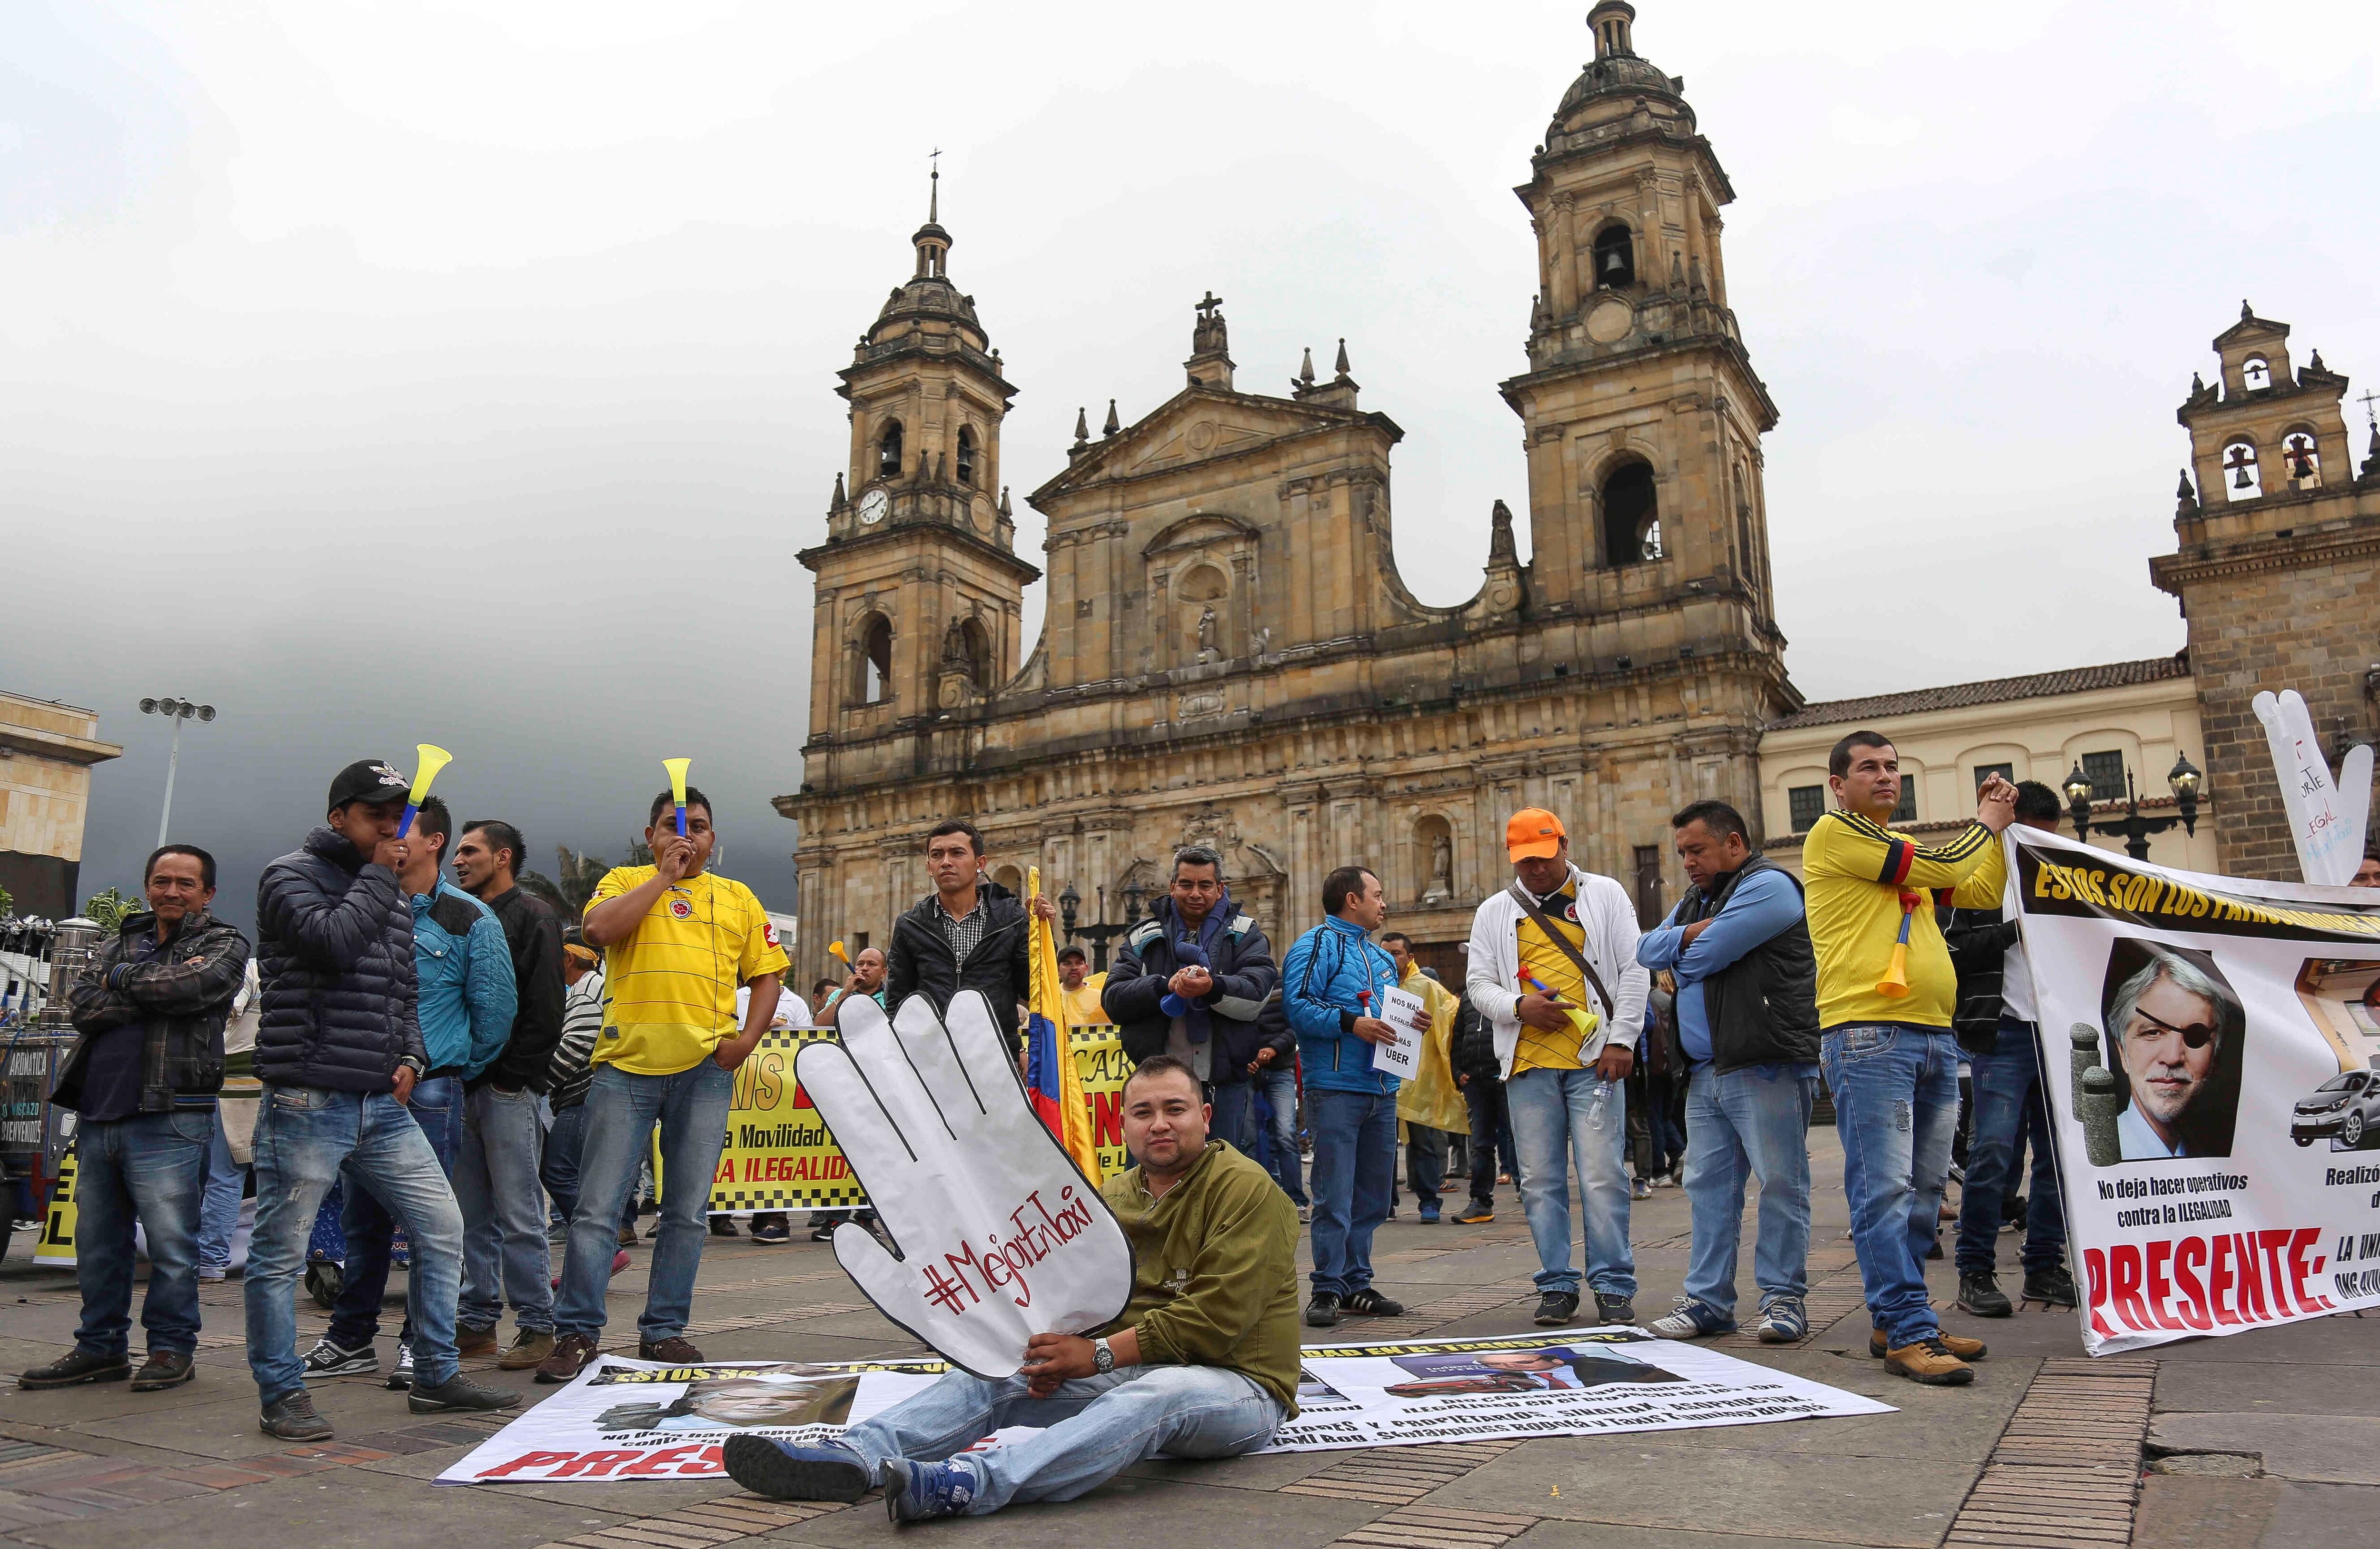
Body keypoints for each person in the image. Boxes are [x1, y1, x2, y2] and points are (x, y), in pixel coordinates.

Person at [719, 1055, 1298, 1523]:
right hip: (1131, 1364)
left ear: (1205, 1114)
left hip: (1237, 1386)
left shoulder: (1247, 1190)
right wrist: (1043, 1349)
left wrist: (1094, 1355)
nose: (1160, 1124)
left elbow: (1214, 1322)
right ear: (1122, 1126)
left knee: (1160, 1393)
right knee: (999, 1373)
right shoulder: (1113, 1194)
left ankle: (970, 1485)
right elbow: (1079, 1296)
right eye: (1142, 1112)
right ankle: (855, 1455)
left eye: (1175, 1109)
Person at [245, 760, 518, 1440]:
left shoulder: (393, 895)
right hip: (308, 1097)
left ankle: (434, 1371)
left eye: (401, 819)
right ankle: (282, 1390)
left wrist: (411, 1053)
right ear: (340, 817)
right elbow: (334, 944)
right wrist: (379, 873)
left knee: (442, 1225)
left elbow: (404, 991)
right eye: (378, 818)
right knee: (281, 1251)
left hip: (380, 1102)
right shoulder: (290, 875)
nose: (393, 832)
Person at [539, 783, 790, 1381]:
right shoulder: (625, 883)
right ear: (650, 836)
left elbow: (768, 976)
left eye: (698, 828)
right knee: (598, 1209)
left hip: (704, 1072)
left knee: (685, 1211)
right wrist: (662, 879)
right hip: (625, 1069)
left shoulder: (738, 898)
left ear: (712, 839)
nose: (686, 837)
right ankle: (576, 1332)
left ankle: (664, 1332)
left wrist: (746, 1041)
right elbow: (597, 932)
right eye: (672, 828)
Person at [1804, 731, 2015, 1387]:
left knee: (1924, 1191)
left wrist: (2005, 837)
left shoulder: (1906, 852)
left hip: (1930, 1032)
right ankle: (1910, 1330)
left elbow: (1977, 887)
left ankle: (1899, 1315)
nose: (1886, 776)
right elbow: (1956, 866)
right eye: (1869, 767)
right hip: (1869, 1034)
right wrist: (1984, 822)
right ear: (1837, 783)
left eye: (1893, 766)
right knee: (1884, 1189)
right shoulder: (1835, 833)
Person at [22, 845, 250, 1395]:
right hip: (99, 1111)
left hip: (171, 1113)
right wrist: (148, 984)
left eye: (186, 884)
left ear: (208, 893)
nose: (172, 892)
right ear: (148, 884)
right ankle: (100, 1348)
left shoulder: (224, 943)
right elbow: (82, 1004)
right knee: (99, 1244)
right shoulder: (118, 940)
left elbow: (196, 988)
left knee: (173, 1246)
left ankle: (172, 1349)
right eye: (162, 880)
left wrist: (122, 981)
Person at [310, 796, 516, 1391]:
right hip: (359, 1090)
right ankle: (350, 1338)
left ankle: (418, 1345)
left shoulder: (470, 919)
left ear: (434, 842)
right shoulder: (361, 902)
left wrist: (443, 1071)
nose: (388, 839)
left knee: (429, 1225)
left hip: (428, 1095)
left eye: (402, 830)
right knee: (361, 1224)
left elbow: (495, 1014)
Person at [1635, 800, 1820, 1344]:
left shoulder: (1769, 887)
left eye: (1696, 850)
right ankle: (1707, 1302)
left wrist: (1684, 946)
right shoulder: (1699, 899)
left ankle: (1783, 1300)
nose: (1686, 862)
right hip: (1706, 1070)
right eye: (1681, 853)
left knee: (1781, 1184)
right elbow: (1646, 949)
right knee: (1708, 1188)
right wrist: (1690, 937)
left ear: (1733, 844)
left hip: (1765, 1062)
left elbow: (1697, 961)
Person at [1463, 809, 1647, 1328]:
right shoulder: (1494, 912)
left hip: (1594, 1062)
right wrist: (1519, 1008)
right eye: (1524, 863)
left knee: (1601, 1175)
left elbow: (1634, 970)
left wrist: (1621, 1040)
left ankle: (1612, 1283)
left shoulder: (1605, 895)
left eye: (1543, 860)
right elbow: (1478, 986)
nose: (1535, 871)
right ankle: (1555, 1284)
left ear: (1564, 845)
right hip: (1527, 1065)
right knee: (1538, 1180)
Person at [1940, 781, 2076, 1317]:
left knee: (2057, 1158)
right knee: (1992, 1153)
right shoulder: (1975, 878)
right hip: (2002, 1032)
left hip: (2058, 1032)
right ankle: (1974, 1269)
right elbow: (1949, 949)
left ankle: (2043, 1264)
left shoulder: (2069, 880)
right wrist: (2014, 931)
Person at [449, 818, 565, 1369]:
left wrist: (511, 1078)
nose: (456, 860)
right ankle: (476, 1323)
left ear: (502, 858)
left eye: (469, 851)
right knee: (471, 1216)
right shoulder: (461, 914)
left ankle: (538, 1327)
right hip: (462, 1086)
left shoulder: (534, 915)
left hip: (507, 1091)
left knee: (520, 1215)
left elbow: (546, 1008)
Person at [1280, 865, 1406, 1327]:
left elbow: (1387, 1014)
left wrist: (1410, 1023)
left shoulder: (1382, 959)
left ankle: (1356, 1282)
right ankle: (1327, 1287)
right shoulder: (1315, 945)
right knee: (1334, 1194)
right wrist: (1351, 1023)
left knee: (1373, 1195)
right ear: (1352, 900)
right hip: (1335, 1088)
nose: (1383, 903)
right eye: (1376, 895)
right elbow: (1296, 1006)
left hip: (1381, 1089)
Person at [1103, 846, 1279, 1154]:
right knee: (1154, 1170)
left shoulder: (1245, 933)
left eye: (1205, 884)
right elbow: (1114, 998)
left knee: (1222, 1175)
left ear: (1220, 888)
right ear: (1172, 887)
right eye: (1186, 884)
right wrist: (1162, 986)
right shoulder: (1143, 936)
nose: (1195, 893)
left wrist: (1212, 987)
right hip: (1157, 1083)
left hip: (1223, 1083)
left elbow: (1258, 992)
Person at [883, 820, 1052, 1036]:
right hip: (931, 1056)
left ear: (979, 863)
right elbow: (898, 1001)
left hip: (996, 1051)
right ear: (929, 867)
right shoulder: (911, 925)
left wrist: (1043, 936)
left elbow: (1034, 989)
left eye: (957, 853)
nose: (946, 862)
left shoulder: (1012, 920)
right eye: (937, 855)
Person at [2106, 948, 2240, 1160]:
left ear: (2215, 1053)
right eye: (2153, 1033)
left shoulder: (2217, 1157)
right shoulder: (2096, 1156)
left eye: (2195, 1037)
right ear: (2122, 1052)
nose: (2172, 1057)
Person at [1383, 933, 1468, 1225]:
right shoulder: (1374, 984)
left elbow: (1454, 1016)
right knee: (1381, 1143)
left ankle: (1429, 1200)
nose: (1391, 958)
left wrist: (1433, 1022)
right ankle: (1385, 1203)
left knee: (1423, 1142)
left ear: (1410, 957)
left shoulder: (1427, 987)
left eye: (1396, 953)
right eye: (1386, 953)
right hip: (1383, 1074)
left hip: (1419, 1076)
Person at [737, 978, 813, 1244]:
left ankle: (776, 1219)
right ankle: (755, 1217)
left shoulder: (796, 1003)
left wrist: (785, 1031)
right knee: (745, 1152)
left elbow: (809, 1040)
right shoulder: (738, 997)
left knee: (774, 1152)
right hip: (744, 1091)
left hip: (780, 1095)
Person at [1450, 989, 1517, 1224]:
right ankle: (1480, 1203)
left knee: (1520, 1140)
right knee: (1481, 1145)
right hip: (1475, 1081)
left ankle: (1534, 1199)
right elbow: (1458, 1036)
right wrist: (1457, 1072)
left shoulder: (1511, 987)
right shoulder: (1469, 996)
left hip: (1508, 1077)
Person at [1058, 946, 1105, 1027]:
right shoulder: (1049, 997)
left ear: (1086, 968)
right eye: (1067, 964)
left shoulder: (1100, 997)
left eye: (1079, 963)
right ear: (1058, 970)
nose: (1074, 968)